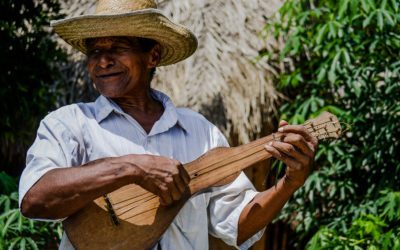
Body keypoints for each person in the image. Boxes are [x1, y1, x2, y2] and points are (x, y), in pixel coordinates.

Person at [18, 0, 318, 249]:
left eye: (117, 48)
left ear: (154, 56)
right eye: (95, 51)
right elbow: (35, 200)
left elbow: (237, 226)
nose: (103, 61)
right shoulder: (70, 123)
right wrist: (131, 168)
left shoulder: (202, 132)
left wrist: (289, 182)